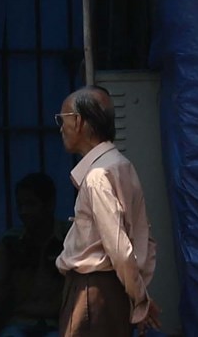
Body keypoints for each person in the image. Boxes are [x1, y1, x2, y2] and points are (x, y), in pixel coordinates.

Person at [54, 86, 158, 336]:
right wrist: (138, 294)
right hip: (113, 293)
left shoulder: (97, 176)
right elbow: (146, 240)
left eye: (62, 119)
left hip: (93, 295)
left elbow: (120, 250)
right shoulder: (122, 166)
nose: (60, 127)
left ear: (78, 121)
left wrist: (140, 300)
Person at [0, 173, 70, 337]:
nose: (24, 212)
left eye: (31, 204)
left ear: (49, 204)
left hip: (58, 324)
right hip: (21, 323)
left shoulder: (69, 240)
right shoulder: (12, 243)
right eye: (20, 205)